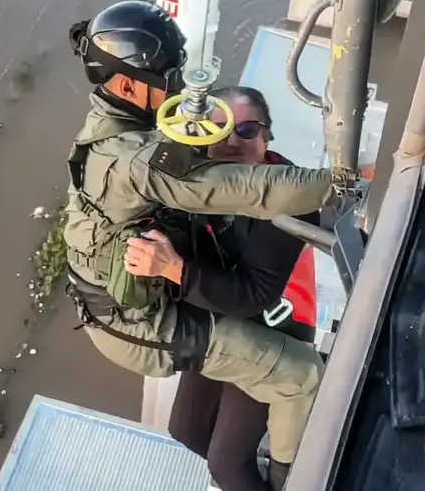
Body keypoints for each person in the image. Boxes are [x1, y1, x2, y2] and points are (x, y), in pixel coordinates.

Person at [64, 0, 338, 489]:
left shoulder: (106, 132)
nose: (175, 86)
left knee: (219, 427)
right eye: (166, 76)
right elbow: (252, 189)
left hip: (148, 304)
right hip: (144, 320)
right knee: (301, 377)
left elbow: (252, 286)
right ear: (126, 85)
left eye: (248, 131)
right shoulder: (140, 161)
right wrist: (344, 182)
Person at [128, 86, 317, 491]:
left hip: (275, 329)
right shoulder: (194, 184)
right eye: (218, 129)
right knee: (186, 432)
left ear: (267, 139)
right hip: (218, 312)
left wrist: (174, 268)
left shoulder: (290, 198)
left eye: (246, 129)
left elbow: (253, 296)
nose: (231, 141)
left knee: (226, 462)